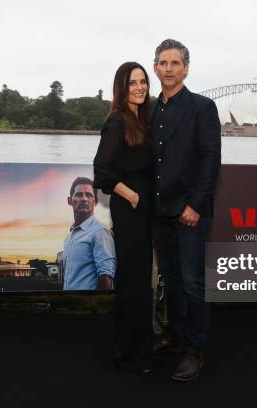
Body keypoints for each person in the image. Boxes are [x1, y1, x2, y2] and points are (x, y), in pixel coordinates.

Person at [151, 39, 221, 381]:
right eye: (163, 62)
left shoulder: (202, 107)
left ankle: (195, 349)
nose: (168, 68)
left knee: (195, 283)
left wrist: (195, 205)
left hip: (190, 212)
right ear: (155, 68)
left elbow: (210, 160)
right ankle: (176, 334)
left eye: (175, 63)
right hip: (160, 212)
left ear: (186, 68)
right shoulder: (149, 110)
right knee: (173, 280)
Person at [93, 62, 154, 373]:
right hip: (129, 209)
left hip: (146, 210)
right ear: (122, 87)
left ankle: (140, 349)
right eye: (133, 83)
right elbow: (101, 173)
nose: (140, 87)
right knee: (132, 281)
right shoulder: (117, 122)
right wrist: (131, 195)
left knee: (142, 282)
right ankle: (127, 353)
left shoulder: (143, 120)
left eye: (143, 81)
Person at [62, 176, 116, 290]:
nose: (84, 199)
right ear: (69, 200)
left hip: (88, 306)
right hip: (68, 305)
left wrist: (97, 307)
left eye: (89, 195)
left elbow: (106, 277)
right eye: (79, 194)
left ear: (95, 201)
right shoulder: (69, 238)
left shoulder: (100, 232)